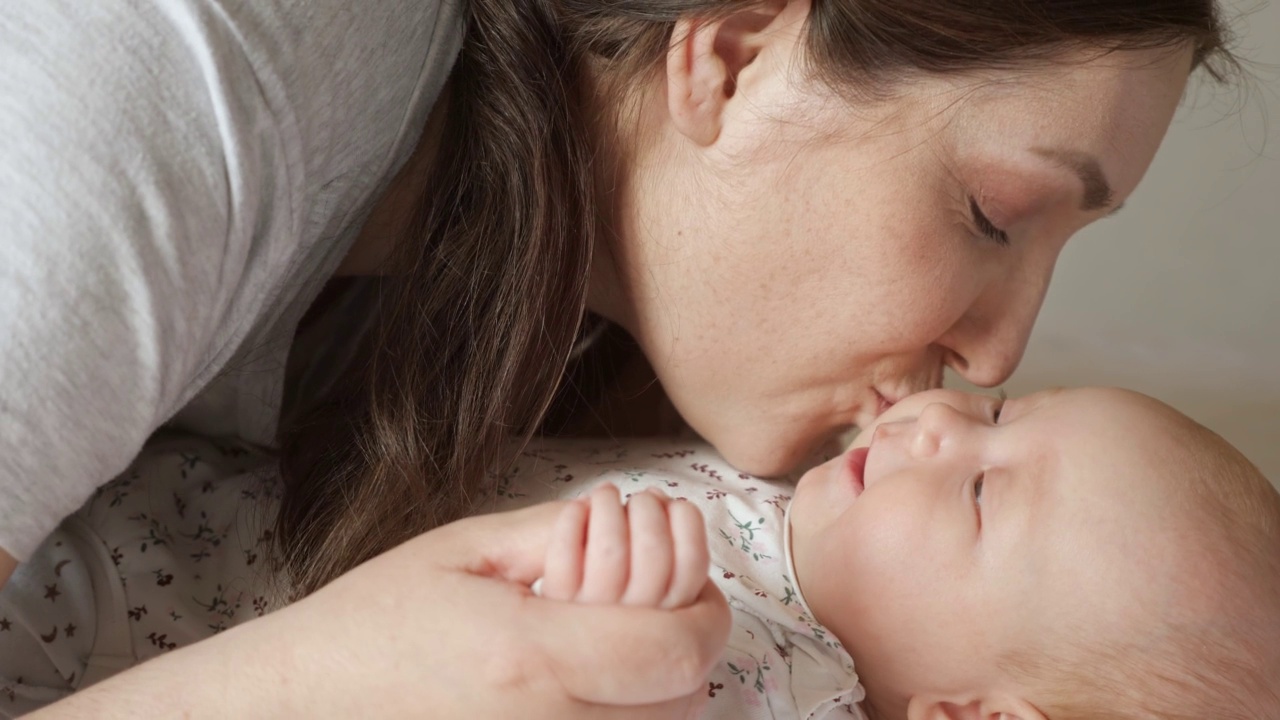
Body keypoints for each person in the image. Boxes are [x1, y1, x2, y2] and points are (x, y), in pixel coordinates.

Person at [0, 0, 1238, 714]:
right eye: (990, 215)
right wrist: (325, 678)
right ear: (736, 52)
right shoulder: (190, 76)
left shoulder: (589, 351)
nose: (997, 351)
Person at [6, 387, 1278, 719]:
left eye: (985, 494)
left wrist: (602, 627)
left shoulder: (786, 684)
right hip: (138, 491)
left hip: (115, 646)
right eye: (1000, 415)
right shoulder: (780, 486)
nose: (942, 420)